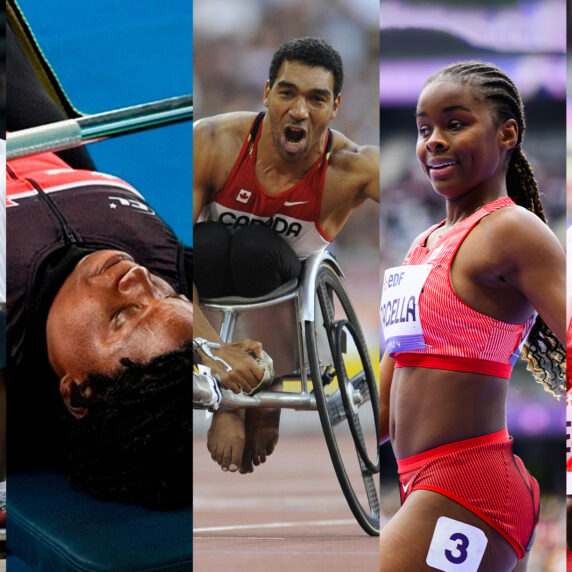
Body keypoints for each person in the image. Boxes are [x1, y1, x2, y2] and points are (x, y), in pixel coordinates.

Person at [379, 61, 565, 570]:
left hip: (471, 487)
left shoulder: (512, 230)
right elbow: (382, 410)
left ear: (507, 133)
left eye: (454, 124)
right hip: (418, 481)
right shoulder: (419, 246)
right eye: (423, 129)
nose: (433, 141)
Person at [193, 37, 379, 474]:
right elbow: (170, 258)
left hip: (282, 282)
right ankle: (234, 400)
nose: (299, 111)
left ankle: (268, 381)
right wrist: (214, 355)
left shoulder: (354, 168)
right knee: (207, 242)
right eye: (287, 92)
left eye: (316, 99)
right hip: (207, 274)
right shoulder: (214, 141)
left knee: (253, 249)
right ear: (266, 94)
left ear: (335, 107)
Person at [7, 147, 193, 509]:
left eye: (121, 316)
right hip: (46, 140)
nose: (139, 276)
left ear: (79, 392)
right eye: (167, 293)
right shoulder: (176, 267)